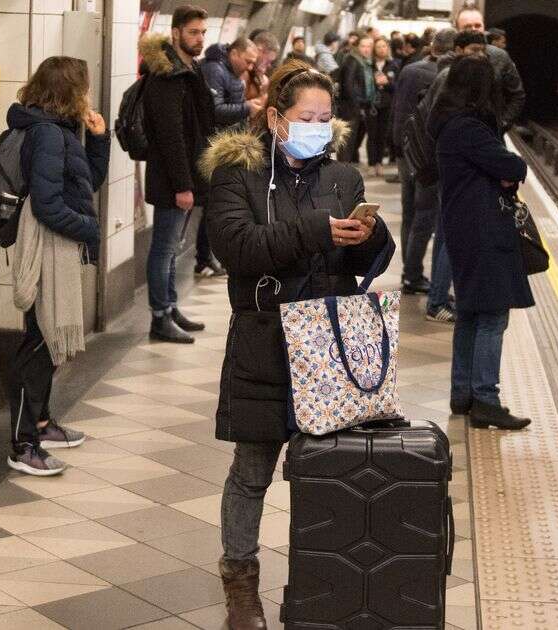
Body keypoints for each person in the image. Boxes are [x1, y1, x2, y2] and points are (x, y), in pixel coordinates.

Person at [200, 61, 393, 629]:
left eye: (326, 118)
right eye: (306, 117)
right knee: (252, 468)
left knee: (327, 469)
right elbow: (236, 247)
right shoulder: (238, 173)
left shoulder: (342, 178)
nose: (318, 126)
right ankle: (240, 579)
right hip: (265, 339)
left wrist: (368, 237)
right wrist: (316, 231)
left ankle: (321, 578)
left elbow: (360, 263)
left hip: (328, 341)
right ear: (277, 119)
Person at [5, 56, 108, 475]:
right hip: (46, 246)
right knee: (36, 342)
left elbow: (87, 183)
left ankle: (42, 424)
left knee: (45, 341)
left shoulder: (60, 129)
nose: (88, 95)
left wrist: (99, 138)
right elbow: (48, 205)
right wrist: (88, 228)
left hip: (56, 245)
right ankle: (22, 443)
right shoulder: (46, 134)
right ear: (68, 92)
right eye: (82, 88)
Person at [429, 54, 532, 430]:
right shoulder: (467, 128)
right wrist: (509, 170)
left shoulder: (449, 124)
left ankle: (463, 394)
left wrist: (501, 169)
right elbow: (513, 166)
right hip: (482, 228)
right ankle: (486, 398)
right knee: (492, 314)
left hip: (464, 227)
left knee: (471, 312)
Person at [140, 6, 216, 341]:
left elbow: (201, 122)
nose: (199, 39)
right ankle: (159, 318)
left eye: (202, 33)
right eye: (193, 33)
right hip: (171, 180)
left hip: (185, 177)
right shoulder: (166, 76)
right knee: (164, 247)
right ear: (175, 33)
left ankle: (170, 307)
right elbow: (171, 137)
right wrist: (184, 186)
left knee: (172, 247)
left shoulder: (189, 70)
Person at [393, 28, 457, 307]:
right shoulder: (442, 77)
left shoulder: (409, 69)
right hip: (425, 156)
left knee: (410, 212)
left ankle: (410, 271)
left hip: (404, 149)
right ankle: (413, 274)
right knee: (426, 216)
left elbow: (397, 107)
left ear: (433, 47)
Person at [199, 36, 261, 279]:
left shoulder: (229, 71)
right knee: (212, 207)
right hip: (218, 148)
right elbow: (215, 110)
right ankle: (205, 258)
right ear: (234, 53)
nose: (250, 67)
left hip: (229, 144)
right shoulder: (215, 70)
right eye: (247, 61)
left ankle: (211, 256)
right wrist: (247, 108)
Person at [337, 36, 375, 166]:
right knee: (347, 140)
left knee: (352, 140)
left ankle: (346, 167)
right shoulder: (352, 60)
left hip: (357, 105)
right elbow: (348, 85)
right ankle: (342, 169)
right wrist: (357, 105)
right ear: (357, 47)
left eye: (369, 46)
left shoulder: (364, 62)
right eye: (363, 46)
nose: (366, 49)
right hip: (350, 107)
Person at [368, 38, 399, 177]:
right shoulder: (369, 65)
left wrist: (387, 82)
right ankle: (371, 163)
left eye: (384, 46)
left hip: (386, 105)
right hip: (372, 104)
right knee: (372, 135)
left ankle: (379, 162)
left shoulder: (393, 65)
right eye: (378, 46)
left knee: (382, 135)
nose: (381, 49)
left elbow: (397, 87)